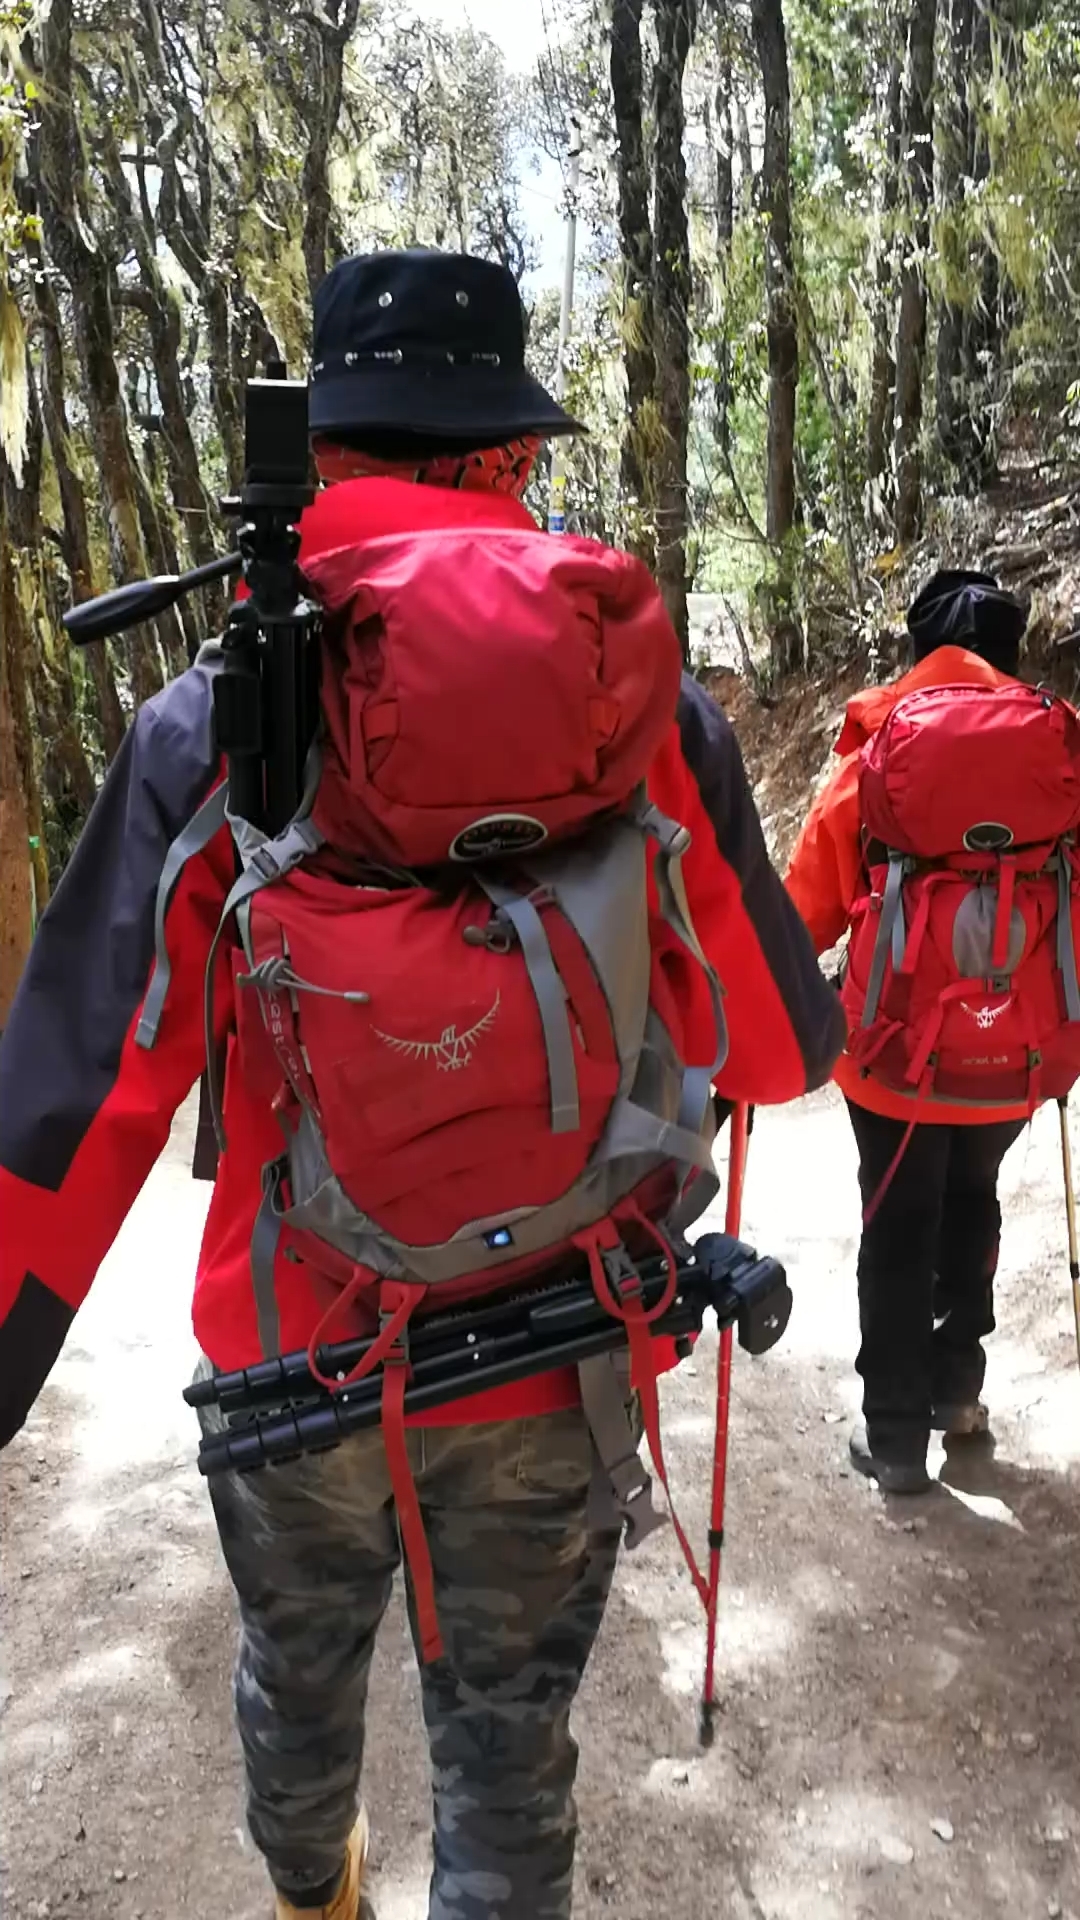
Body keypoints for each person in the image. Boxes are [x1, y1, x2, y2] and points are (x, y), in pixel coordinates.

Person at [0, 250, 844, 1920]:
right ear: (513, 454)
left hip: (293, 1353)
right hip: (556, 1356)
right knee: (508, 1744)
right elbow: (773, 1050)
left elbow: (73, 1097)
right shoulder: (647, 705)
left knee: (298, 1690)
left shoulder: (217, 721)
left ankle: (317, 1887)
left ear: (325, 456)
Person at [786, 569, 1033, 1497]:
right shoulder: (1055, 753)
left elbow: (805, 910)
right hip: (1013, 1049)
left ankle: (895, 1439)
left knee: (899, 1220)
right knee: (974, 1196)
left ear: (914, 650)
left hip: (894, 1057)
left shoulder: (879, 750)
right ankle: (958, 1391)